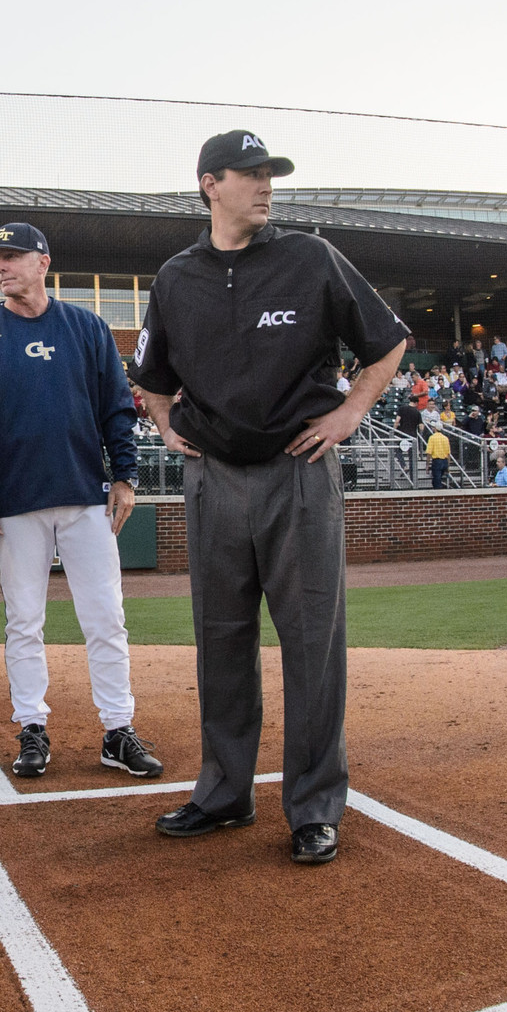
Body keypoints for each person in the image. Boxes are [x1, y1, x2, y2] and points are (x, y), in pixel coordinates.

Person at [133, 131, 410, 867]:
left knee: (311, 643)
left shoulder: (310, 257)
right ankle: (224, 792)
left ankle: (314, 806)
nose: (265, 185)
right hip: (213, 477)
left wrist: (351, 413)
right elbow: (152, 377)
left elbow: (386, 342)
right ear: (208, 184)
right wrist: (165, 426)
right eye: (250, 174)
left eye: (270, 174)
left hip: (298, 471)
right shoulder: (175, 276)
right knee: (221, 640)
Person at [0, 220, 161, 781]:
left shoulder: (86, 327)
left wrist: (125, 477)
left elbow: (117, 407)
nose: (0, 266)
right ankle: (32, 727)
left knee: (106, 618)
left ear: (43, 262)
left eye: (12, 256)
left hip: (86, 498)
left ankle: (118, 730)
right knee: (24, 621)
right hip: (14, 504)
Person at [424, 418, 452, 488]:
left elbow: (429, 453)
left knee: (436, 480)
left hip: (437, 461)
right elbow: (448, 453)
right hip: (444, 461)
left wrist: (427, 465)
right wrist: (448, 466)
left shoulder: (432, 438)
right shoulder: (445, 438)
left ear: (435, 428)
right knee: (438, 479)